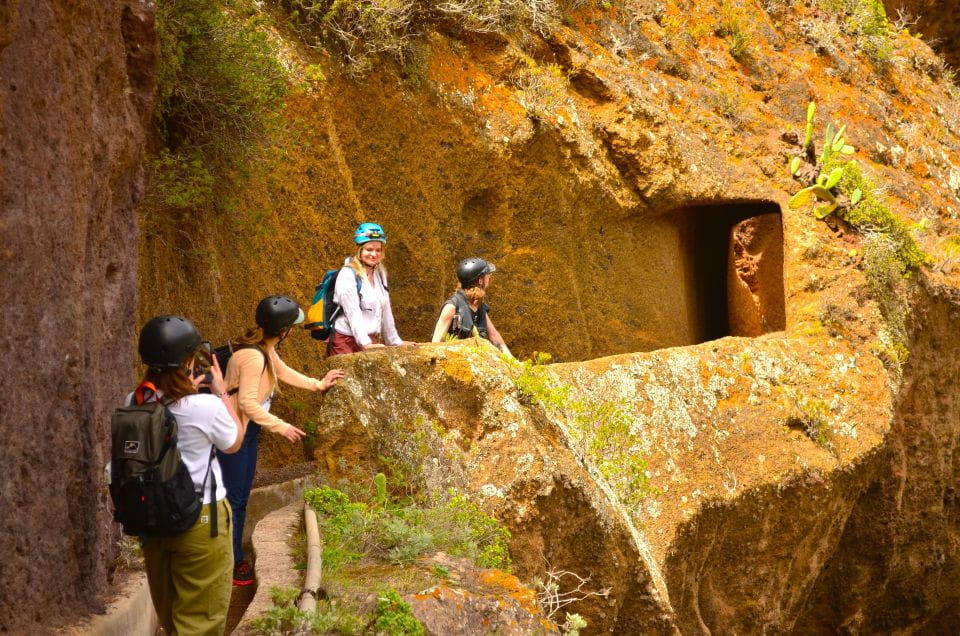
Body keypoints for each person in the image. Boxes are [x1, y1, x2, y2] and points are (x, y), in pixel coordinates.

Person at [221, 294, 344, 586]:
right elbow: (249, 403)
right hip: (235, 432)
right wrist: (281, 426)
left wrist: (318, 384)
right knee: (235, 500)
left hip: (247, 431)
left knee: (238, 497)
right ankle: (233, 563)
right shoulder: (252, 356)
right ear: (285, 330)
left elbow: (281, 371)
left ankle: (230, 557)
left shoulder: (264, 348)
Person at [134, 315, 244, 635]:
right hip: (201, 518)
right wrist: (222, 393)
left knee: (171, 618)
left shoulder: (136, 404)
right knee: (200, 622)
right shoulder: (204, 407)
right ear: (186, 363)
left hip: (152, 520)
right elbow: (234, 441)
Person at [328, 222, 414, 356]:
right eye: (369, 249)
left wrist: (395, 341)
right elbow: (353, 312)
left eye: (378, 250)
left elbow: (386, 309)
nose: (374, 254)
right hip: (345, 341)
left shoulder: (380, 274)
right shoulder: (348, 274)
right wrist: (365, 343)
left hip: (370, 339)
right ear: (360, 250)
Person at [431, 257, 512, 356]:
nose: (490, 277)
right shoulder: (452, 307)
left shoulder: (479, 306)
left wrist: (513, 362)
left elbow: (495, 337)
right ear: (480, 281)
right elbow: (435, 344)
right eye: (487, 275)